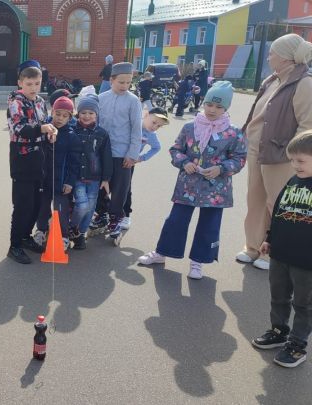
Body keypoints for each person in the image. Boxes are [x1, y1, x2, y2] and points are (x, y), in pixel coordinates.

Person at [138, 81, 247, 279]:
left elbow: (239, 158)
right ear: (203, 103)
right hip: (187, 184)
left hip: (216, 190)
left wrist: (221, 168)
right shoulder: (190, 127)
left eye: (218, 106)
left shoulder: (233, 132)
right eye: (209, 104)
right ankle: (162, 253)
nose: (212, 109)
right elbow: (175, 149)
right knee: (176, 220)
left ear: (226, 108)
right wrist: (184, 162)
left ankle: (198, 262)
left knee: (209, 224)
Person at [237, 33, 312, 271]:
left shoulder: (304, 83)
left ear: (285, 57)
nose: (268, 56)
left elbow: (307, 125)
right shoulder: (272, 80)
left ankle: (272, 253)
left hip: (282, 155)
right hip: (257, 151)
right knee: (255, 200)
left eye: (272, 53)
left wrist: (294, 156)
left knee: (277, 205)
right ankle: (252, 246)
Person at [251, 130, 312, 368]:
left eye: (301, 161)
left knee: (304, 304)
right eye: (292, 160)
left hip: (307, 261)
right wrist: (270, 237)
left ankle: (297, 345)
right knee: (278, 297)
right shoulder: (293, 181)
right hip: (281, 254)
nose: (295, 165)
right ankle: (279, 331)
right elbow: (278, 211)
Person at [7, 60, 58, 264]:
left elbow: (44, 123)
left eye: (36, 83)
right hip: (22, 159)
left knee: (37, 204)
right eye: (29, 84)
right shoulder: (15, 101)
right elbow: (20, 128)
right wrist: (42, 130)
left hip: (40, 159)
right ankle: (15, 245)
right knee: (22, 205)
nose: (33, 88)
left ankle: (26, 237)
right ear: (20, 83)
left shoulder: (39, 101)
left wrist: (50, 132)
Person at [89, 62, 142, 244]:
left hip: (122, 153)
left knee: (120, 189)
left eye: (128, 82)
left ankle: (116, 219)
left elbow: (137, 129)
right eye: (121, 82)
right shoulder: (101, 98)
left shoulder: (133, 101)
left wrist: (132, 154)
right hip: (102, 153)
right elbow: (94, 123)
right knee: (100, 186)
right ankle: (101, 215)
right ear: (111, 80)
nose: (125, 86)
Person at [32, 94, 77, 251]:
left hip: (61, 181)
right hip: (44, 180)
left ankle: (64, 236)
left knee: (61, 209)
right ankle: (41, 231)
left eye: (65, 116)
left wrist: (70, 182)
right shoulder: (44, 129)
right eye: (58, 114)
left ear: (70, 117)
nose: (60, 118)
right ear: (52, 112)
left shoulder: (71, 136)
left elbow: (74, 162)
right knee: (42, 207)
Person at [67, 93, 112, 250]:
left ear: (96, 114)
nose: (87, 116)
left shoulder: (102, 133)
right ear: (77, 113)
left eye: (91, 113)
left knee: (90, 208)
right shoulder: (71, 130)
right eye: (83, 113)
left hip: (94, 177)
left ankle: (80, 235)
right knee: (82, 205)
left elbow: (106, 157)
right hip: (77, 176)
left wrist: (106, 179)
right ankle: (72, 228)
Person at [120, 107, 168, 229]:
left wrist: (142, 158)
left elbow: (156, 147)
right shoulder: (132, 124)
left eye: (159, 126)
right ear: (146, 115)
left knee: (126, 189)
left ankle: (126, 215)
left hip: (129, 164)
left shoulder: (151, 135)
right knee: (107, 185)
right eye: (154, 122)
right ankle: (103, 211)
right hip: (116, 158)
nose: (154, 127)